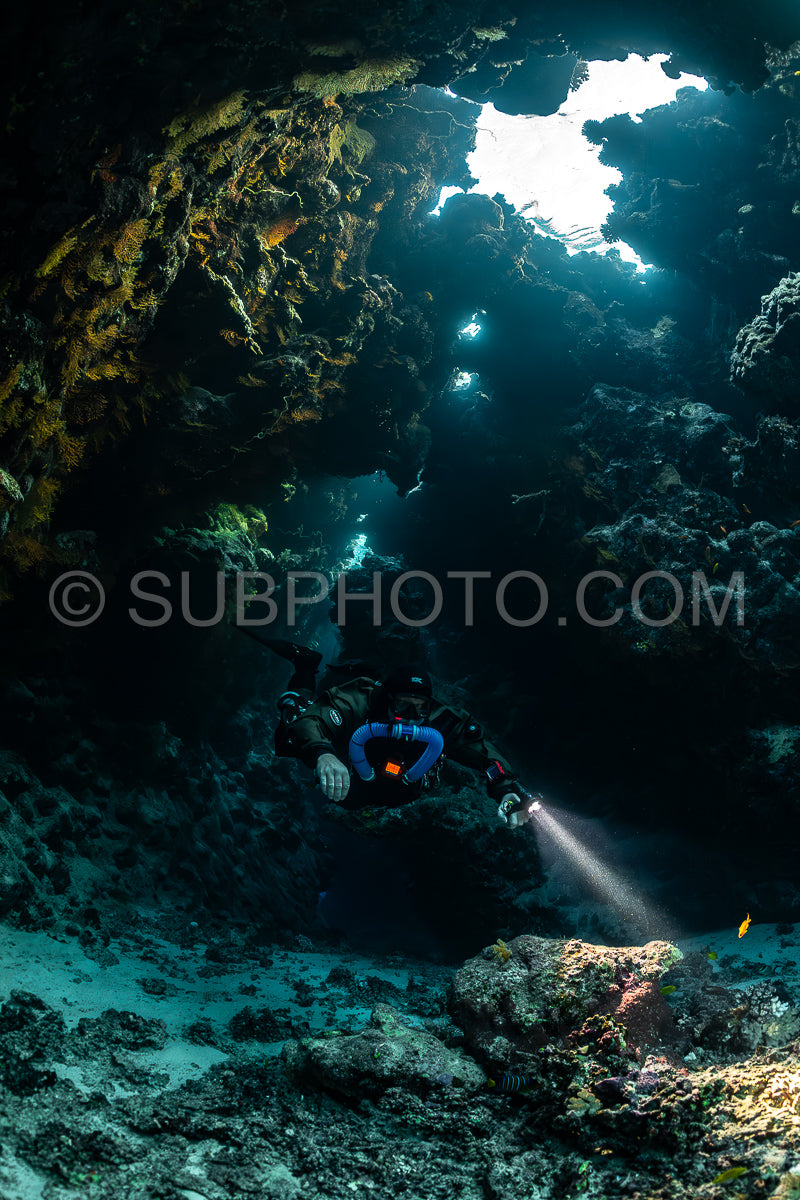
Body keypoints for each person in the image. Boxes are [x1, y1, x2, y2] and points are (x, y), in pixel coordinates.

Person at [248, 633, 537, 826]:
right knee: (289, 734)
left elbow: (482, 751)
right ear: (387, 700)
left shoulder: (439, 720)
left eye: (419, 708)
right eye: (402, 707)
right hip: (348, 764)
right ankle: (305, 667)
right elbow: (315, 721)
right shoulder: (359, 701)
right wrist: (323, 754)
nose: (411, 718)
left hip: (393, 787)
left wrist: (506, 789)